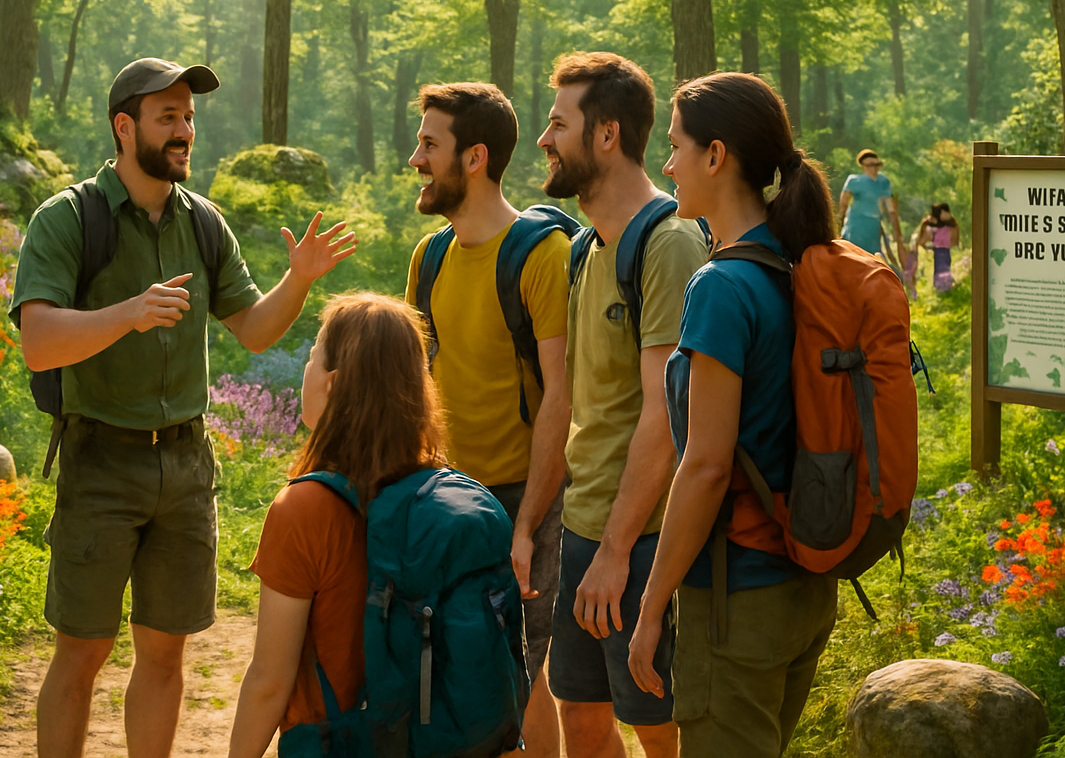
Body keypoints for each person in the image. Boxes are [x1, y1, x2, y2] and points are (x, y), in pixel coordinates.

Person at [10, 57, 357, 758]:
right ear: (123, 125)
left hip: (186, 467)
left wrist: (298, 281)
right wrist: (127, 314)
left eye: (189, 118)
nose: (185, 131)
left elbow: (255, 330)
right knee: (81, 655)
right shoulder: (69, 219)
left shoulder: (204, 223)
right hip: (100, 462)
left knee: (165, 657)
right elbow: (38, 343)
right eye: (168, 116)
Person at [629, 72, 838, 758]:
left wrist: (652, 606)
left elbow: (707, 466)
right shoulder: (796, 261)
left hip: (737, 598)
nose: (667, 166)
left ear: (716, 156)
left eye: (676, 147)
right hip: (806, 586)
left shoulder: (721, 287)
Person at [536, 52, 708, 758]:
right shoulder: (585, 249)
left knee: (658, 725)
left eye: (557, 124)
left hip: (641, 541)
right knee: (578, 711)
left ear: (606, 135)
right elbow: (578, 404)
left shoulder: (668, 246)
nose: (545, 140)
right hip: (585, 530)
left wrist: (615, 552)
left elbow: (667, 420)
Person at [402, 82, 571, 757]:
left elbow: (561, 397)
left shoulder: (542, 255)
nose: (416, 158)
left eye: (429, 144)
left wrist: (527, 524)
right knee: (445, 676)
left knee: (524, 680)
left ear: (474, 158)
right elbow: (416, 386)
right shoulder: (429, 256)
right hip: (441, 501)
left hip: (519, 501)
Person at [227, 293, 447, 758]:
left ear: (332, 382)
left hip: (337, 743)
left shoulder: (305, 509)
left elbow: (270, 681)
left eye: (311, 356)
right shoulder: (438, 491)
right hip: (426, 740)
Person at [838, 150, 903, 260]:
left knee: (873, 258)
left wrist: (897, 232)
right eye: (869, 165)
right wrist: (838, 228)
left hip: (873, 226)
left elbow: (891, 209)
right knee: (853, 256)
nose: (873, 168)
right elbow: (843, 205)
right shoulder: (854, 180)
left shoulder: (883, 182)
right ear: (863, 166)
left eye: (876, 164)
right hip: (855, 226)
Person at [925, 202, 960, 292]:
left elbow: (954, 241)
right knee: (939, 269)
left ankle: (945, 287)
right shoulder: (937, 226)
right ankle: (941, 287)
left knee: (943, 268)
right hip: (938, 250)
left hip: (944, 250)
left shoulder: (951, 226)